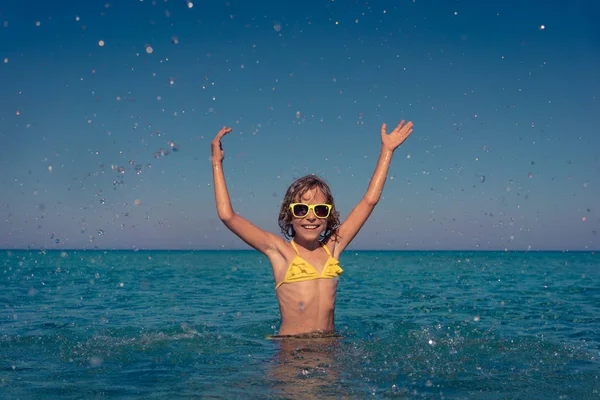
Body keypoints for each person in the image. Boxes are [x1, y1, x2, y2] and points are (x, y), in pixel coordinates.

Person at [211, 120, 414, 337]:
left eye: (320, 210)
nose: (311, 217)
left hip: (330, 349)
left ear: (329, 215)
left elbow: (369, 201)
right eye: (300, 209)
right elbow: (227, 215)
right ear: (289, 215)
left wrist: (387, 150)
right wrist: (216, 163)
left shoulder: (333, 247)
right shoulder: (280, 251)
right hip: (291, 352)